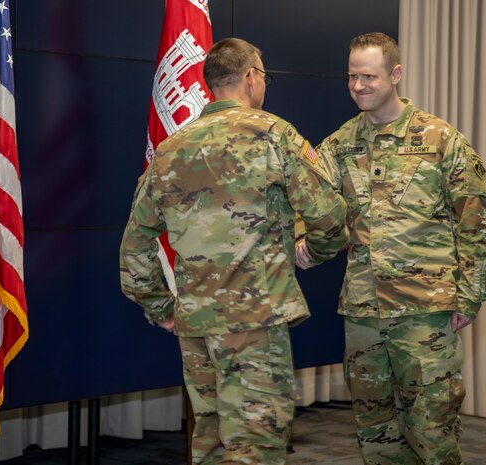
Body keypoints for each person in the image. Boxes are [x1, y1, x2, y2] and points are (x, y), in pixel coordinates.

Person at [120, 37, 349, 465]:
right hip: (255, 324)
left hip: (196, 326)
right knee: (256, 446)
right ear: (250, 77)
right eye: (264, 76)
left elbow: (134, 246)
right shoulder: (275, 136)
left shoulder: (170, 150)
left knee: (209, 440)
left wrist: (162, 307)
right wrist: (310, 253)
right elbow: (331, 217)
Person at [297, 32, 486, 464]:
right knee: (376, 433)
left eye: (368, 75)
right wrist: (303, 243)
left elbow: (475, 225)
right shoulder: (340, 144)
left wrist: (471, 295)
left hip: (424, 312)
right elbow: (309, 198)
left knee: (432, 430)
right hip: (364, 313)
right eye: (352, 76)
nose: (358, 86)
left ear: (396, 74)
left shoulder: (440, 139)